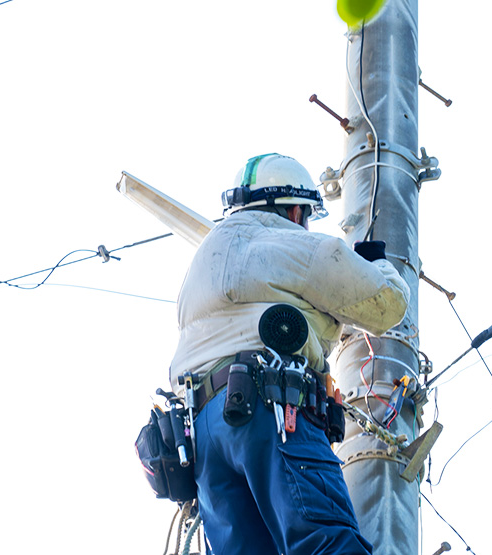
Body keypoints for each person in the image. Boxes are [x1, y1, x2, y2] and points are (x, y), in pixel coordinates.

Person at [169, 153, 410, 555]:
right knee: (325, 543)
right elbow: (386, 307)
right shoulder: (298, 245)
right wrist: (376, 263)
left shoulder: (202, 265)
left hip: (204, 438)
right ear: (295, 210)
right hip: (271, 413)